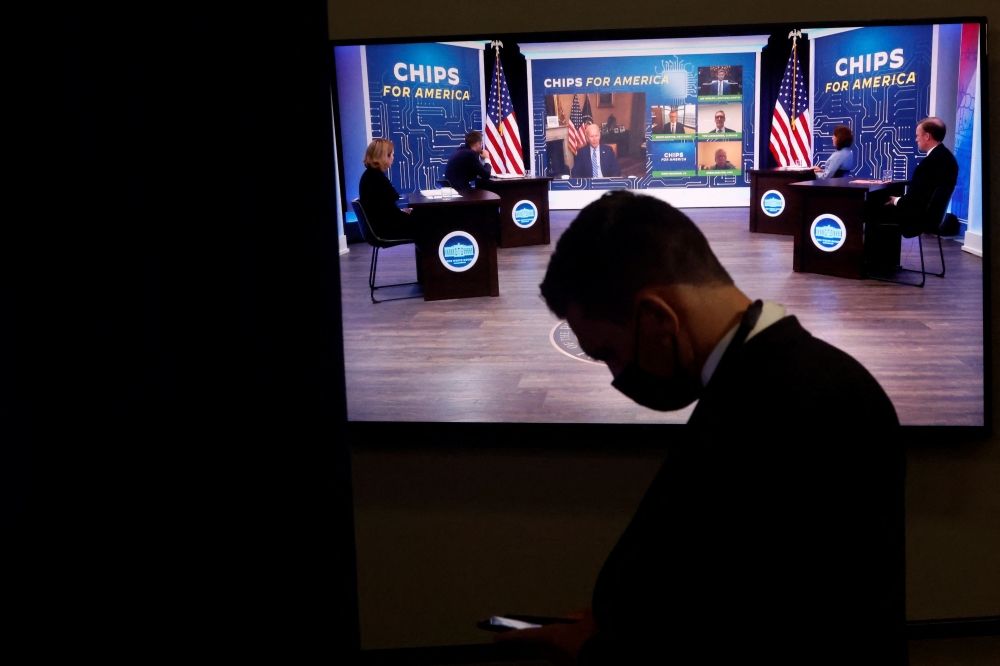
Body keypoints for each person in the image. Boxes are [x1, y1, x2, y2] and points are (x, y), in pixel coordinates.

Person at [496, 191, 905, 665]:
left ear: (657, 318)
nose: (615, 376)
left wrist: (597, 651)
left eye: (609, 352)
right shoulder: (783, 382)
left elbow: (765, 639)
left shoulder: (791, 410)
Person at [884, 117, 959, 238]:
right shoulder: (946, 157)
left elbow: (918, 198)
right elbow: (924, 192)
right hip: (933, 216)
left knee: (874, 212)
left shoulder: (931, 162)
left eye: (918, 135)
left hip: (919, 218)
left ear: (927, 136)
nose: (916, 139)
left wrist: (897, 200)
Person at [357, 138, 413, 240]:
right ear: (384, 157)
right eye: (391, 154)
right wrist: (403, 214)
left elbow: (383, 209)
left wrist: (401, 213)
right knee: (427, 223)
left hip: (381, 227)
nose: (393, 158)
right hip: (386, 230)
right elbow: (388, 214)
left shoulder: (370, 176)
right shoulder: (376, 179)